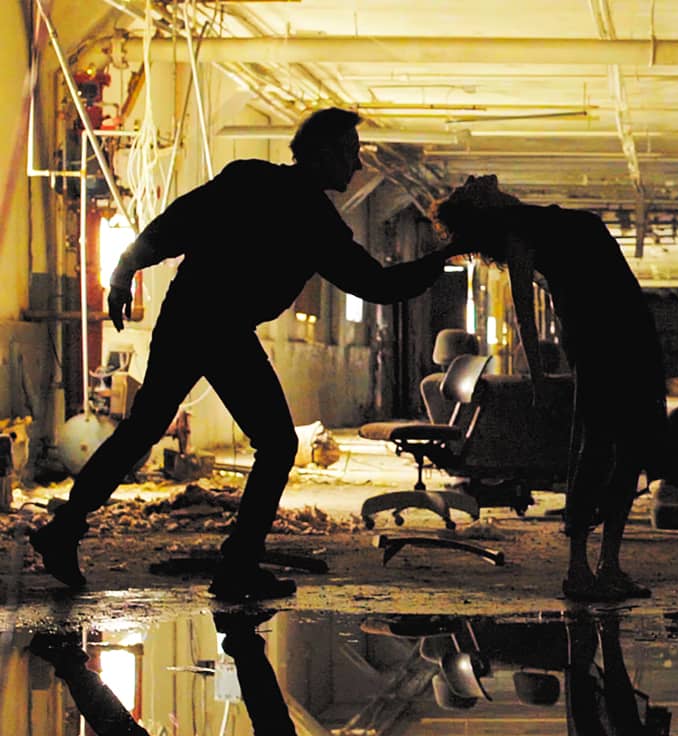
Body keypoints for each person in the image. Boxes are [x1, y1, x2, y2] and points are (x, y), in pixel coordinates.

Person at [29, 107, 464, 601]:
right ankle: (235, 567)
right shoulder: (308, 215)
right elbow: (377, 284)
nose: (357, 164)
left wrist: (125, 270)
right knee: (274, 445)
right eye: (349, 151)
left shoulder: (257, 183)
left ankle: (65, 530)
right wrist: (441, 259)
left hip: (191, 316)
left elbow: (176, 224)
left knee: (143, 430)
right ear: (321, 153)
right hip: (218, 328)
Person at [431, 174, 668, 602]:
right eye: (468, 188)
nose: (475, 178)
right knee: (597, 447)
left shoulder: (531, 222)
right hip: (600, 341)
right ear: (483, 209)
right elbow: (525, 308)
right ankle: (578, 568)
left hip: (634, 331)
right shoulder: (518, 234)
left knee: (631, 449)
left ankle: (609, 565)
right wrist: (538, 375)